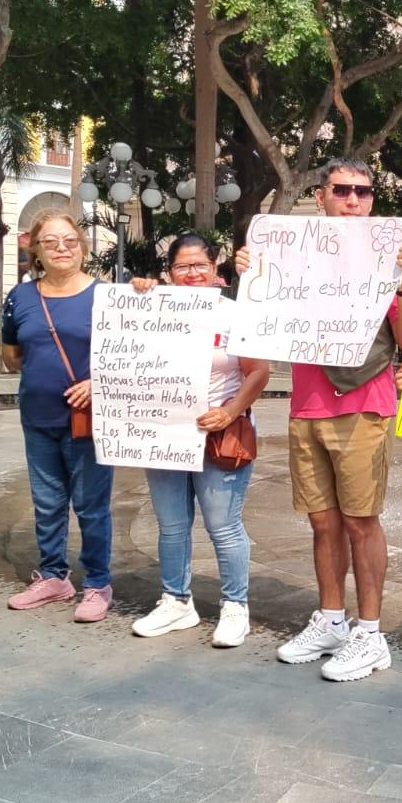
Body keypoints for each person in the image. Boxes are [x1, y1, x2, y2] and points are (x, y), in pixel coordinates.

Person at [234, 157, 402, 682]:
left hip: (364, 404)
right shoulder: (289, 253)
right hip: (307, 405)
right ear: (321, 196)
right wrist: (252, 273)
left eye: (364, 192)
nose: (354, 200)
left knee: (362, 521)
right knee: (321, 521)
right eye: (342, 190)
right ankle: (332, 619)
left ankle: (370, 632)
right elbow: (258, 316)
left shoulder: (390, 259)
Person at [127, 234, 269, 645]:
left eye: (199, 266)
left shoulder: (235, 314)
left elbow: (259, 371)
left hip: (218, 433)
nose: (191, 274)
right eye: (182, 267)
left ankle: (235, 606)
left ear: (215, 270)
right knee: (171, 526)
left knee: (223, 525)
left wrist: (229, 410)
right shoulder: (152, 310)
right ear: (168, 273)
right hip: (165, 432)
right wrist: (139, 295)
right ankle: (176, 601)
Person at [0, 215, 117, 622]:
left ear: (83, 247)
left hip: (90, 420)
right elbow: (12, 354)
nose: (61, 248)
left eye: (69, 240)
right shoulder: (20, 297)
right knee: (47, 503)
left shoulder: (108, 296)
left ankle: (98, 584)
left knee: (91, 506)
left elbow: (135, 358)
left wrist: (98, 383)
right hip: (38, 418)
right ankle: (53, 576)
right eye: (50, 242)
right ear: (35, 250)